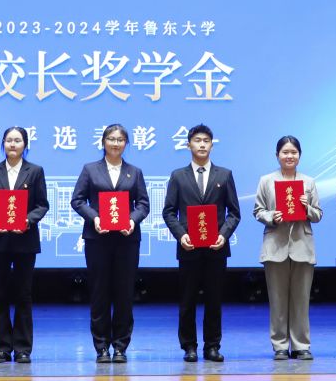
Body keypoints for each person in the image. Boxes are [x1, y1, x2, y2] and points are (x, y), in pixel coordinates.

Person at [70, 124, 150, 363]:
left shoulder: (134, 172)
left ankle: (121, 347)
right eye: (111, 139)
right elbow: (77, 200)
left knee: (124, 294)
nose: (116, 143)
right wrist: (94, 218)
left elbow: (143, 204)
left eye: (121, 139)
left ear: (126, 144)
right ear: (103, 141)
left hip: (127, 240)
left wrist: (132, 220)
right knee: (99, 293)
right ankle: (102, 347)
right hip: (98, 239)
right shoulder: (90, 169)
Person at [163, 124, 241, 363]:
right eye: (197, 140)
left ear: (212, 145)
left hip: (216, 248)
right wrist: (181, 235)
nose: (202, 144)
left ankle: (212, 346)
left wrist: (224, 235)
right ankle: (189, 346)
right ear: (188, 145)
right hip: (189, 248)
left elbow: (234, 213)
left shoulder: (224, 175)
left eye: (206, 140)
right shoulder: (178, 176)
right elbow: (169, 212)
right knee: (187, 301)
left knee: (214, 300)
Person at [0, 126, 49, 364]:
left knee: (23, 295)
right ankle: (1, 348)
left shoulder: (35, 171)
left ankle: (22, 349)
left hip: (25, 241)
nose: (13, 144)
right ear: (3, 144)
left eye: (18, 140)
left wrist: (27, 221)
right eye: (9, 140)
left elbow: (42, 205)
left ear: (25, 145)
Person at [252, 135, 323, 360]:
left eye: (293, 152)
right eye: (285, 152)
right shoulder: (266, 180)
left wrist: (307, 208)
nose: (289, 156)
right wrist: (271, 216)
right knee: (277, 300)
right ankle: (280, 345)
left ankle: (301, 345)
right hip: (275, 246)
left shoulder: (309, 182)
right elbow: (258, 211)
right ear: (277, 155)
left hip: (303, 245)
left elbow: (318, 214)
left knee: (301, 300)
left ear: (299, 156)